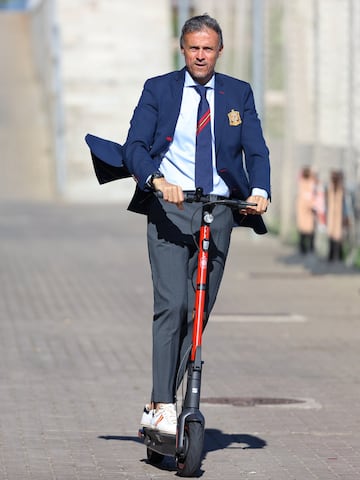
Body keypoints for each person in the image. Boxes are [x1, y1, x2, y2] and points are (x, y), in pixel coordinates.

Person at [123, 14, 271, 435]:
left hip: (219, 209)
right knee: (173, 304)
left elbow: (256, 150)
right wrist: (156, 180)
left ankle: (160, 400)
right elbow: (135, 144)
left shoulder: (238, 93)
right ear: (182, 49)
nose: (201, 55)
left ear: (219, 51)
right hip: (170, 209)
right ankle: (164, 403)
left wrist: (260, 189)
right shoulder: (159, 89)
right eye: (194, 48)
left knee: (198, 313)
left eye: (208, 48)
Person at [326, 170, 348, 262]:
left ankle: (339, 256)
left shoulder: (341, 190)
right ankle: (331, 256)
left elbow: (345, 205)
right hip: (331, 216)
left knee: (338, 236)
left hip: (339, 216)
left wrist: (346, 216)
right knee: (331, 235)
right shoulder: (330, 189)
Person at [295, 166, 316, 255]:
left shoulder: (305, 182)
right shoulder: (307, 182)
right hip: (306, 206)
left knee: (307, 228)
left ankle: (307, 248)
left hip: (307, 206)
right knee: (306, 228)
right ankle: (306, 248)